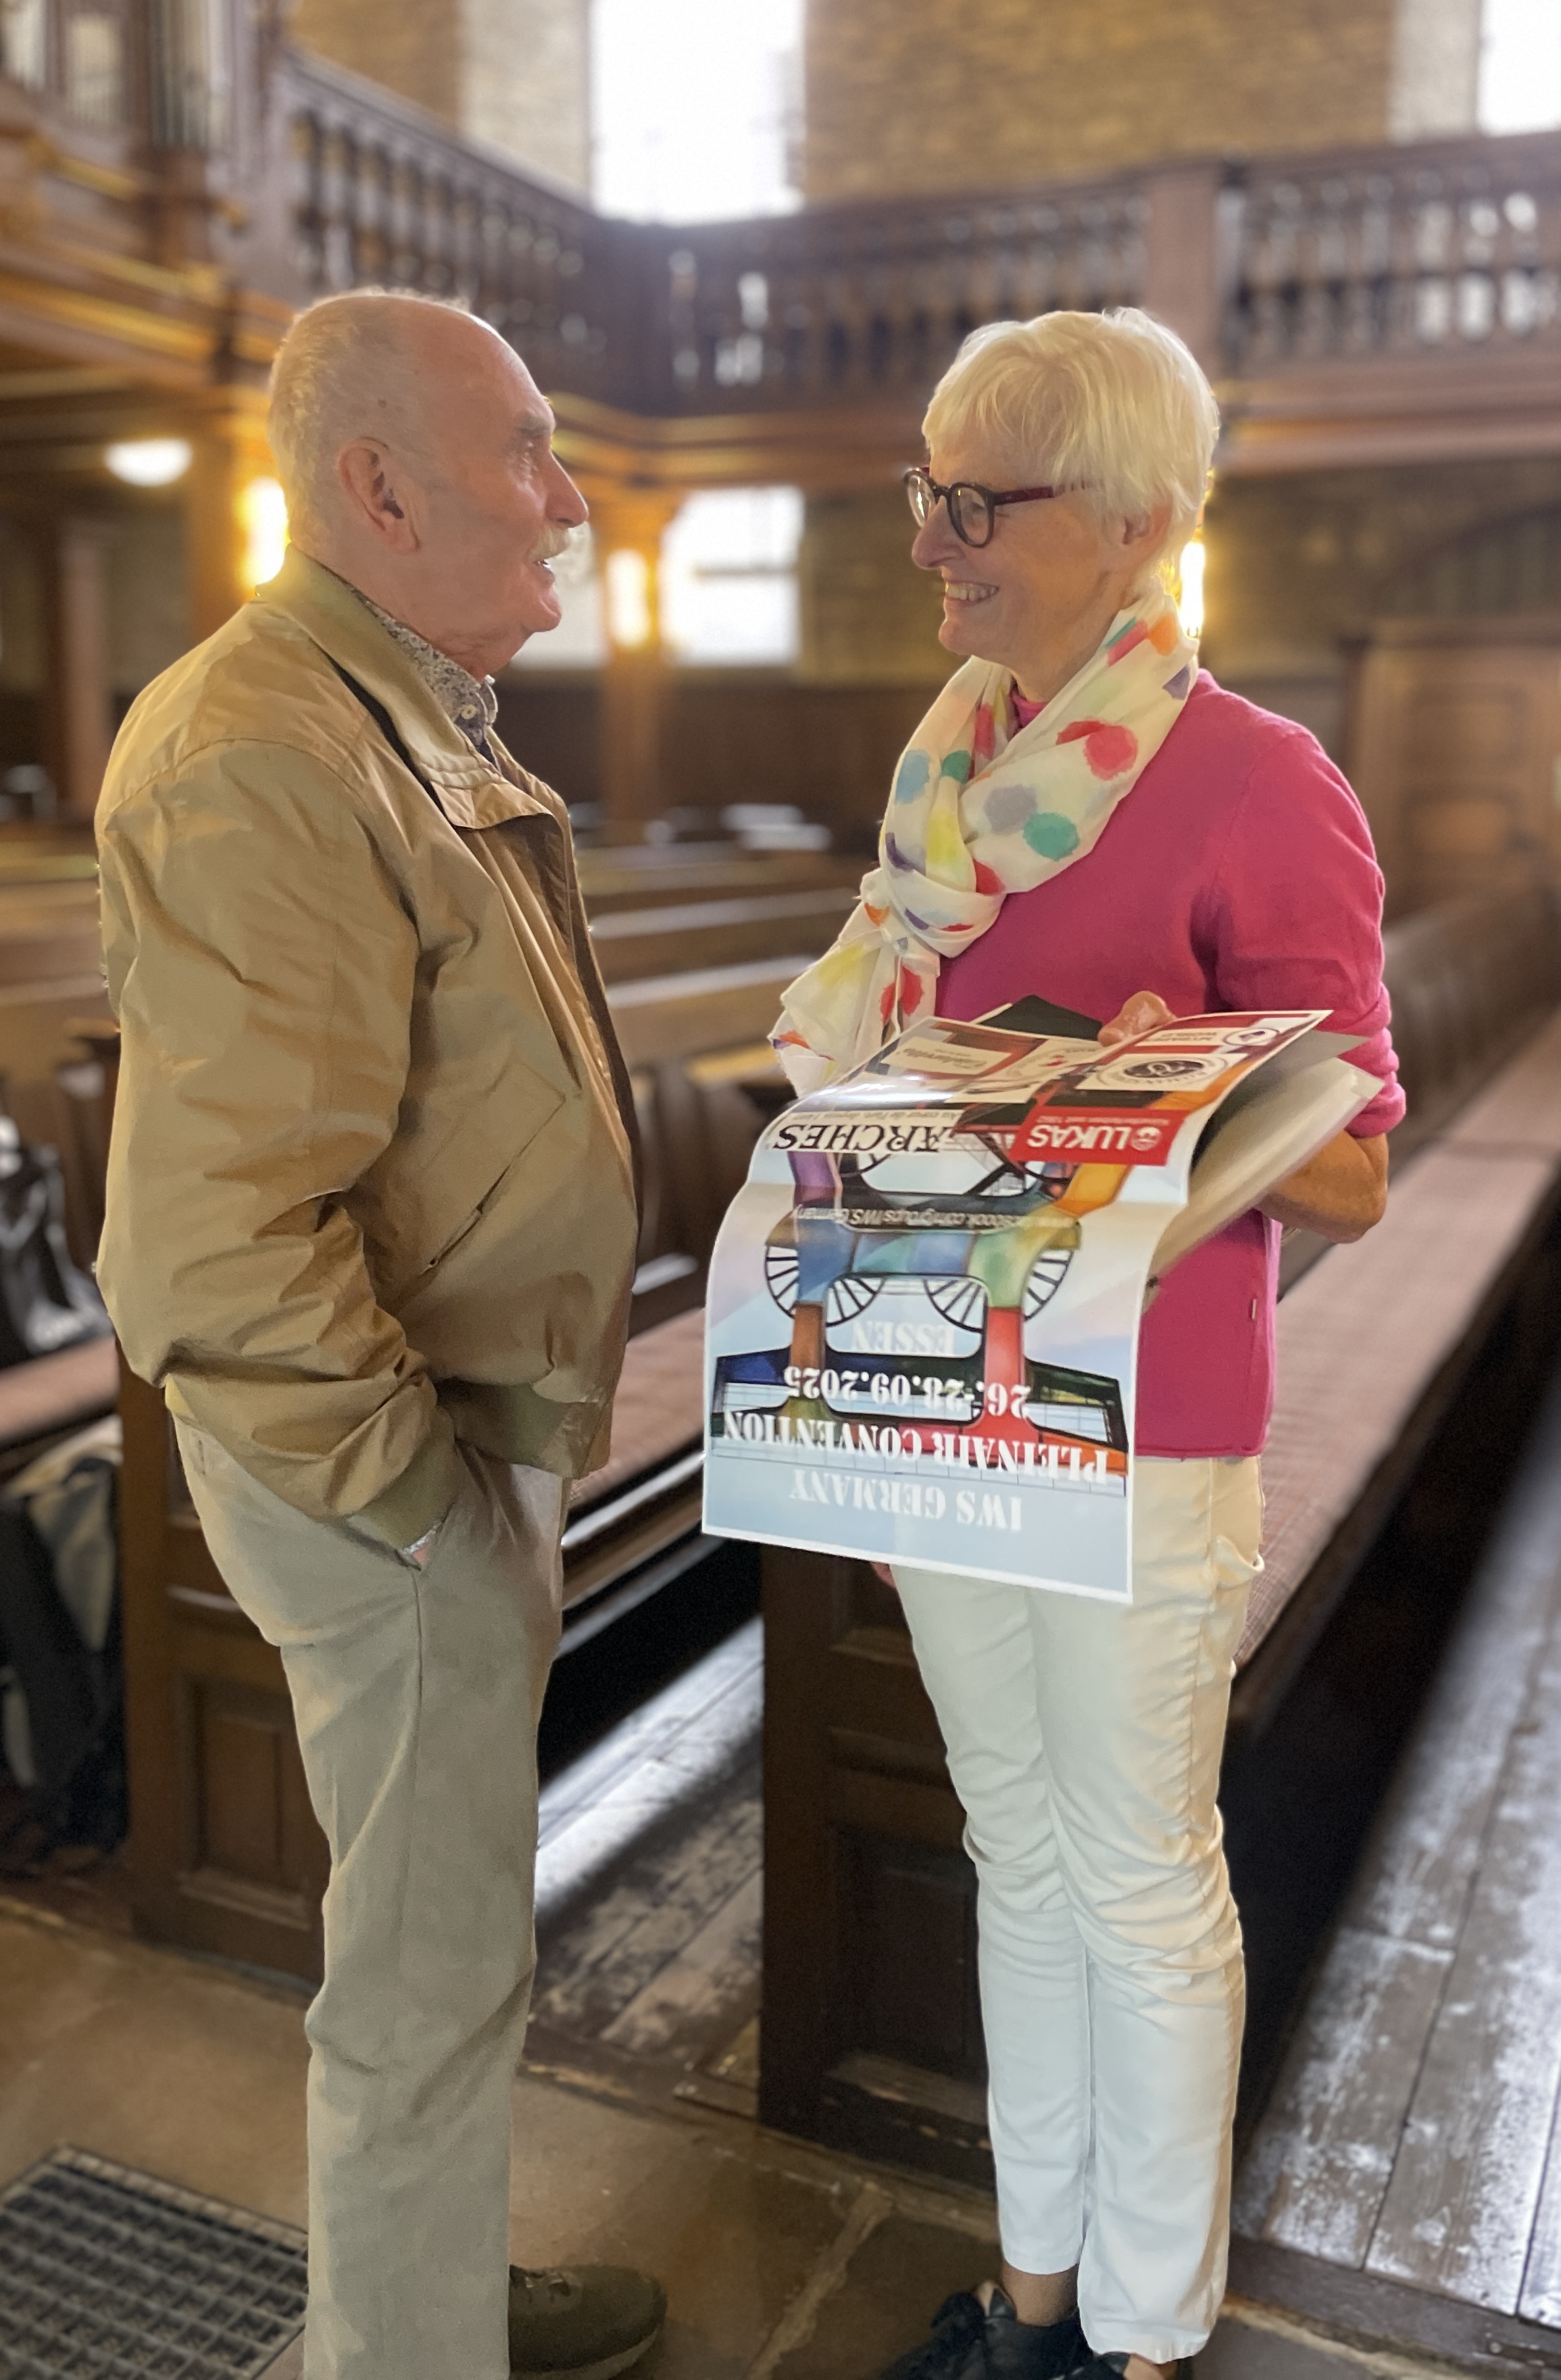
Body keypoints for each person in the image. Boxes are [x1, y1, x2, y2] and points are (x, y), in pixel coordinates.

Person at [774, 308, 1400, 2380]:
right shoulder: (949, 778)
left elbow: (1354, 1170)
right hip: (938, 1382)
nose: (929, 543)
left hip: (1141, 1422)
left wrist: (1179, 1093)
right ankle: (1032, 2294)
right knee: (1015, 1853)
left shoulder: (1261, 782)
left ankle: (1145, 2338)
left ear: (1131, 520)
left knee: (1137, 1875)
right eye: (925, 492)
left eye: (977, 503)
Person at [96, 291, 665, 2380]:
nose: (568, 499)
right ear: (379, 487)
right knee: (423, 1979)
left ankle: (431, 2299)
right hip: (383, 1456)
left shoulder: (394, 706)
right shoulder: (269, 744)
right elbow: (226, 1229)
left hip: (439, 1423)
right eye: (524, 447)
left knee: (444, 1941)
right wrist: (422, 1501)